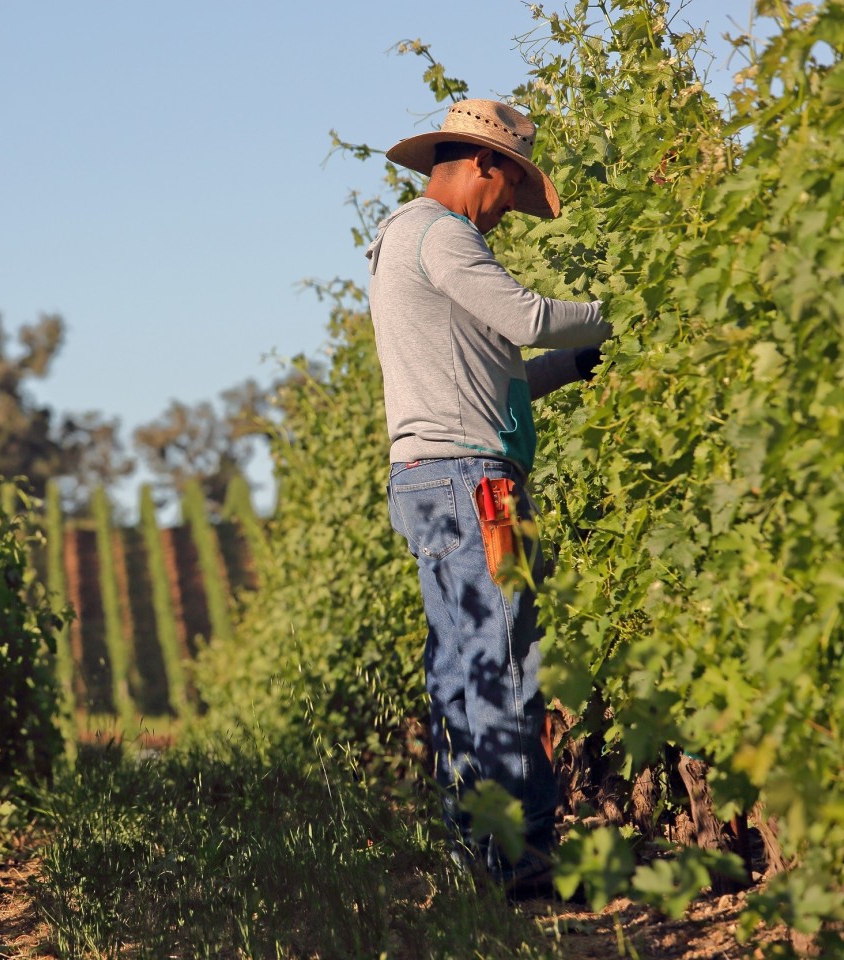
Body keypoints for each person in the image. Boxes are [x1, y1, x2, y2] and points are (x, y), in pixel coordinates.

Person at [366, 99, 611, 891]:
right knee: (506, 662)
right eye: (510, 189)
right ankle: (521, 860)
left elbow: (495, 383)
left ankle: (476, 849)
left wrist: (578, 367)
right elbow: (532, 318)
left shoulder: (403, 241)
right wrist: (625, 317)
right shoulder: (443, 235)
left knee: (462, 665)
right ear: (483, 165)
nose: (508, 209)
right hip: (481, 490)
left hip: (429, 481)